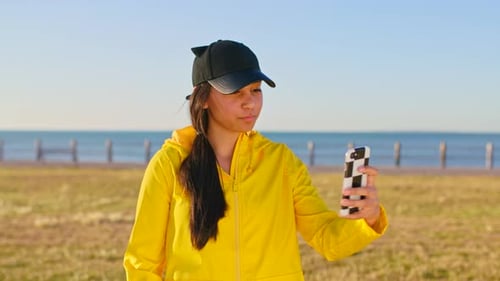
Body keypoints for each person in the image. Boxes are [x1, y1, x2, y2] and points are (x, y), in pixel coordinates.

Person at [123, 39, 388, 281]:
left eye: (256, 90)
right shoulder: (169, 164)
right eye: (236, 92)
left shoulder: (281, 161)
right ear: (202, 98)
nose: (250, 103)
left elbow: (326, 239)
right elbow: (142, 264)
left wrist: (367, 219)